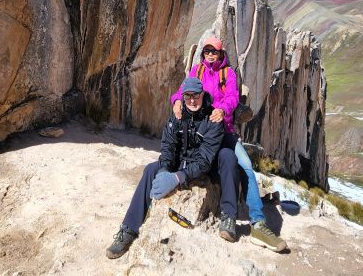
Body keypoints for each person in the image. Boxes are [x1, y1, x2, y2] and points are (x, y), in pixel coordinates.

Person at [170, 36, 287, 253]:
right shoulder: (196, 71)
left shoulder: (228, 73)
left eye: (213, 51)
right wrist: (176, 100)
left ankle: (258, 223)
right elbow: (182, 91)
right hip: (199, 131)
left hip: (224, 131)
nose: (210, 55)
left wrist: (222, 109)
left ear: (221, 53)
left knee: (245, 166)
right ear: (202, 54)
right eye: (206, 52)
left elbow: (233, 97)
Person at [106, 76, 240, 259]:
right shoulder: (176, 115)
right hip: (182, 161)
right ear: (182, 97)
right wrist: (164, 172)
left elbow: (204, 160)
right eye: (188, 96)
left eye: (196, 96)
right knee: (150, 170)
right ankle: (128, 229)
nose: (192, 100)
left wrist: (177, 177)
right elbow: (168, 147)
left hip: (205, 166)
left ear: (203, 95)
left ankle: (229, 216)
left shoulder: (213, 119)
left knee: (229, 157)